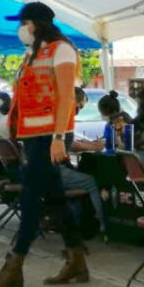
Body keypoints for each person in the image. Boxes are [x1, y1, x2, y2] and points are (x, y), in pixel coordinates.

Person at [0, 1, 90, 287]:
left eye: (24, 23)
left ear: (36, 24)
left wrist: (58, 138)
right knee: (54, 197)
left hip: (51, 136)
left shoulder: (61, 49)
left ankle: (13, 267)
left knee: (30, 197)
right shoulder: (31, 53)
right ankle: (77, 259)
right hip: (33, 136)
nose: (21, 29)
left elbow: (67, 96)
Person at [58, 87, 108, 236]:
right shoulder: (62, 117)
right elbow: (67, 144)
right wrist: (93, 146)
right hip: (53, 171)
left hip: (41, 169)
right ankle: (103, 224)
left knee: (83, 171)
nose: (78, 111)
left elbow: (68, 142)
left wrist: (88, 144)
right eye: (79, 107)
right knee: (91, 182)